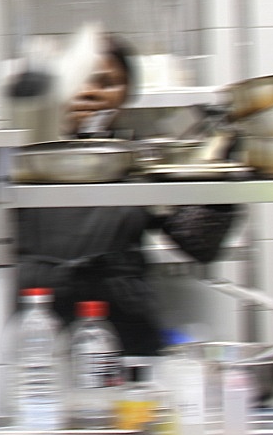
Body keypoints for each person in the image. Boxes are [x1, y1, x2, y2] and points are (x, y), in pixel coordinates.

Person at [13, 34, 237, 357]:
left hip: (122, 323)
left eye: (106, 83)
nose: (90, 91)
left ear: (127, 94)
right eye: (79, 80)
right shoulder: (20, 157)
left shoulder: (141, 160)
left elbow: (198, 242)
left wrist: (218, 171)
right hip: (37, 320)